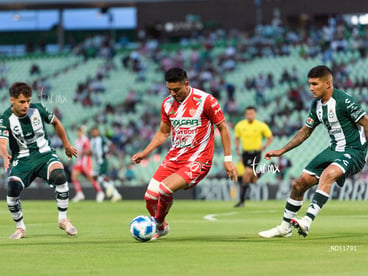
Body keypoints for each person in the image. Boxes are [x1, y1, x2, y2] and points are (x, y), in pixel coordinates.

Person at [259, 65, 368, 238]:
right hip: (333, 149)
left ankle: (306, 221)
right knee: (299, 183)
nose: (311, 88)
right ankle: (284, 228)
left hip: (354, 151)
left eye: (315, 84)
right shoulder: (316, 105)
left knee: (328, 174)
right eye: (310, 84)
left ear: (328, 84)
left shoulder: (344, 101)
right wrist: (282, 150)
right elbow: (305, 131)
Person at [132, 67, 237, 240]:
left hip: (198, 160)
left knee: (165, 189)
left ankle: (156, 224)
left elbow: (223, 127)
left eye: (176, 89)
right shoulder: (167, 104)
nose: (173, 93)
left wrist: (228, 159)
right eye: (169, 90)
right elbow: (163, 133)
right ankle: (161, 226)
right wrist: (145, 152)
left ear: (186, 84)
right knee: (150, 197)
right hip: (174, 158)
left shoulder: (205, 100)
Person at [0, 82, 78, 239]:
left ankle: (63, 219)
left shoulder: (37, 109)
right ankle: (20, 228)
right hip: (22, 160)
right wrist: (4, 155)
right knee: (12, 188)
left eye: (28, 101)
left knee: (60, 176)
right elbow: (1, 142)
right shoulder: (6, 118)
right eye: (22, 101)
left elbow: (56, 122)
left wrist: (67, 145)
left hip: (44, 155)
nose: (26, 105)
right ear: (12, 100)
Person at [233, 106, 273, 207]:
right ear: (245, 115)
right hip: (245, 154)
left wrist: (264, 147)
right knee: (253, 179)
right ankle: (268, 168)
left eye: (251, 113)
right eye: (248, 114)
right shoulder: (240, 125)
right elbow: (237, 138)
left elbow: (270, 137)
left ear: (255, 114)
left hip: (256, 153)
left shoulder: (261, 126)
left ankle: (242, 201)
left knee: (246, 174)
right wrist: (237, 148)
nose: (250, 115)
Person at [71, 126, 105, 202]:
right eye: (78, 131)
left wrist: (82, 152)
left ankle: (100, 192)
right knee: (74, 176)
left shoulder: (85, 140)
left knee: (90, 177)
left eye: (80, 131)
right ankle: (79, 193)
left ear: (82, 132)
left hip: (85, 162)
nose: (78, 133)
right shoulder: (77, 141)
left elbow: (89, 150)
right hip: (79, 162)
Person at [90, 126, 122, 202]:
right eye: (93, 131)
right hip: (97, 161)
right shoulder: (92, 140)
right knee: (103, 177)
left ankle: (109, 189)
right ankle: (115, 193)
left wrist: (108, 153)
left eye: (95, 131)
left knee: (96, 176)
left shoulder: (102, 138)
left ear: (98, 131)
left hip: (102, 161)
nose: (94, 132)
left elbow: (111, 144)